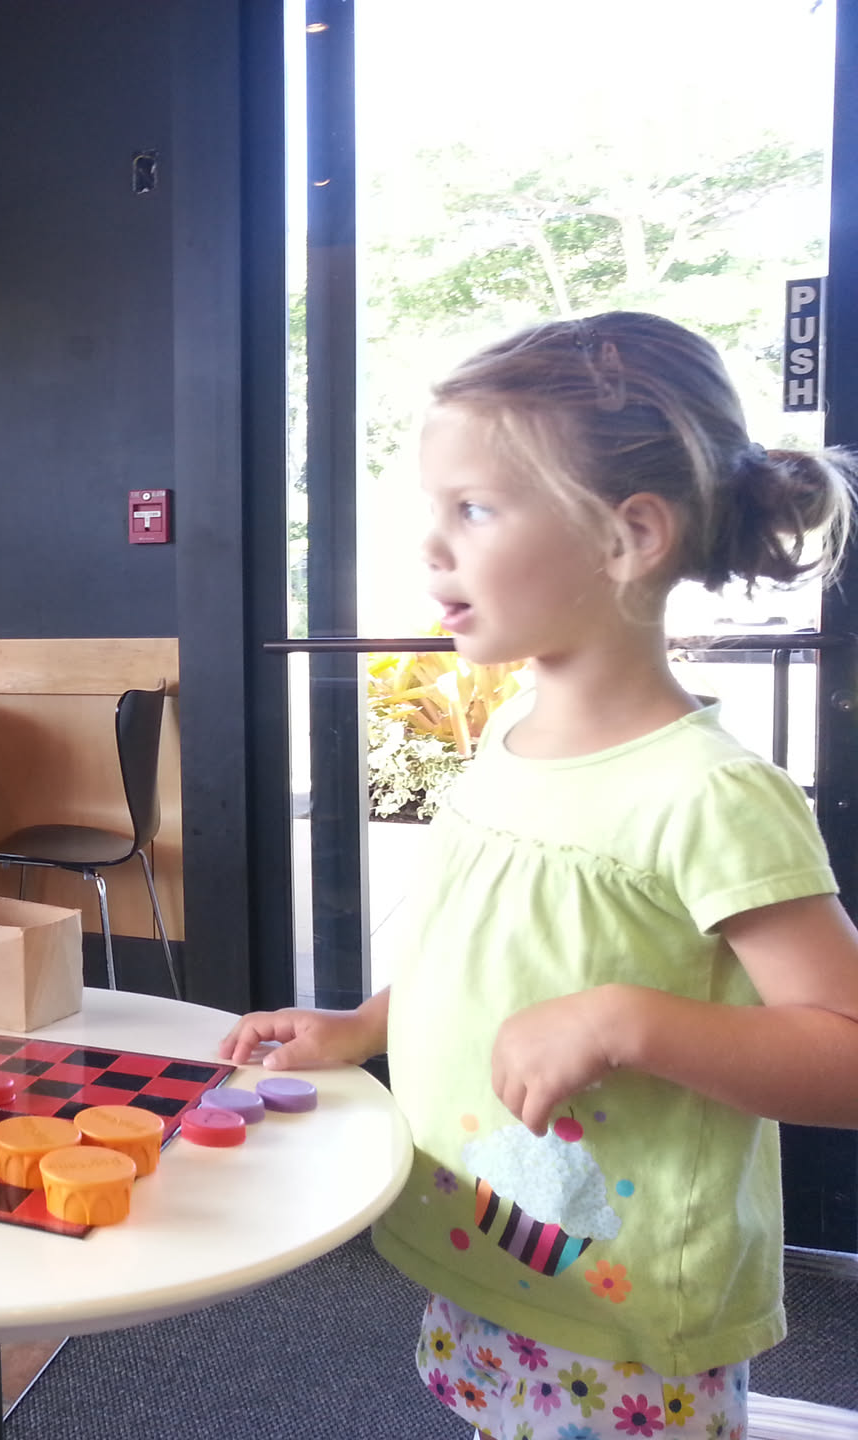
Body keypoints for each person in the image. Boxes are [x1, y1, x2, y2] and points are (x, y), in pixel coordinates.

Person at [222, 312, 858, 1440]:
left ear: (629, 536)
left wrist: (625, 1021)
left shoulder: (708, 793)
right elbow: (487, 956)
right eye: (434, 509)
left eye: (474, 509)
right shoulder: (510, 741)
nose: (432, 547)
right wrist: (363, 1027)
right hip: (493, 1257)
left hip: (629, 1322)